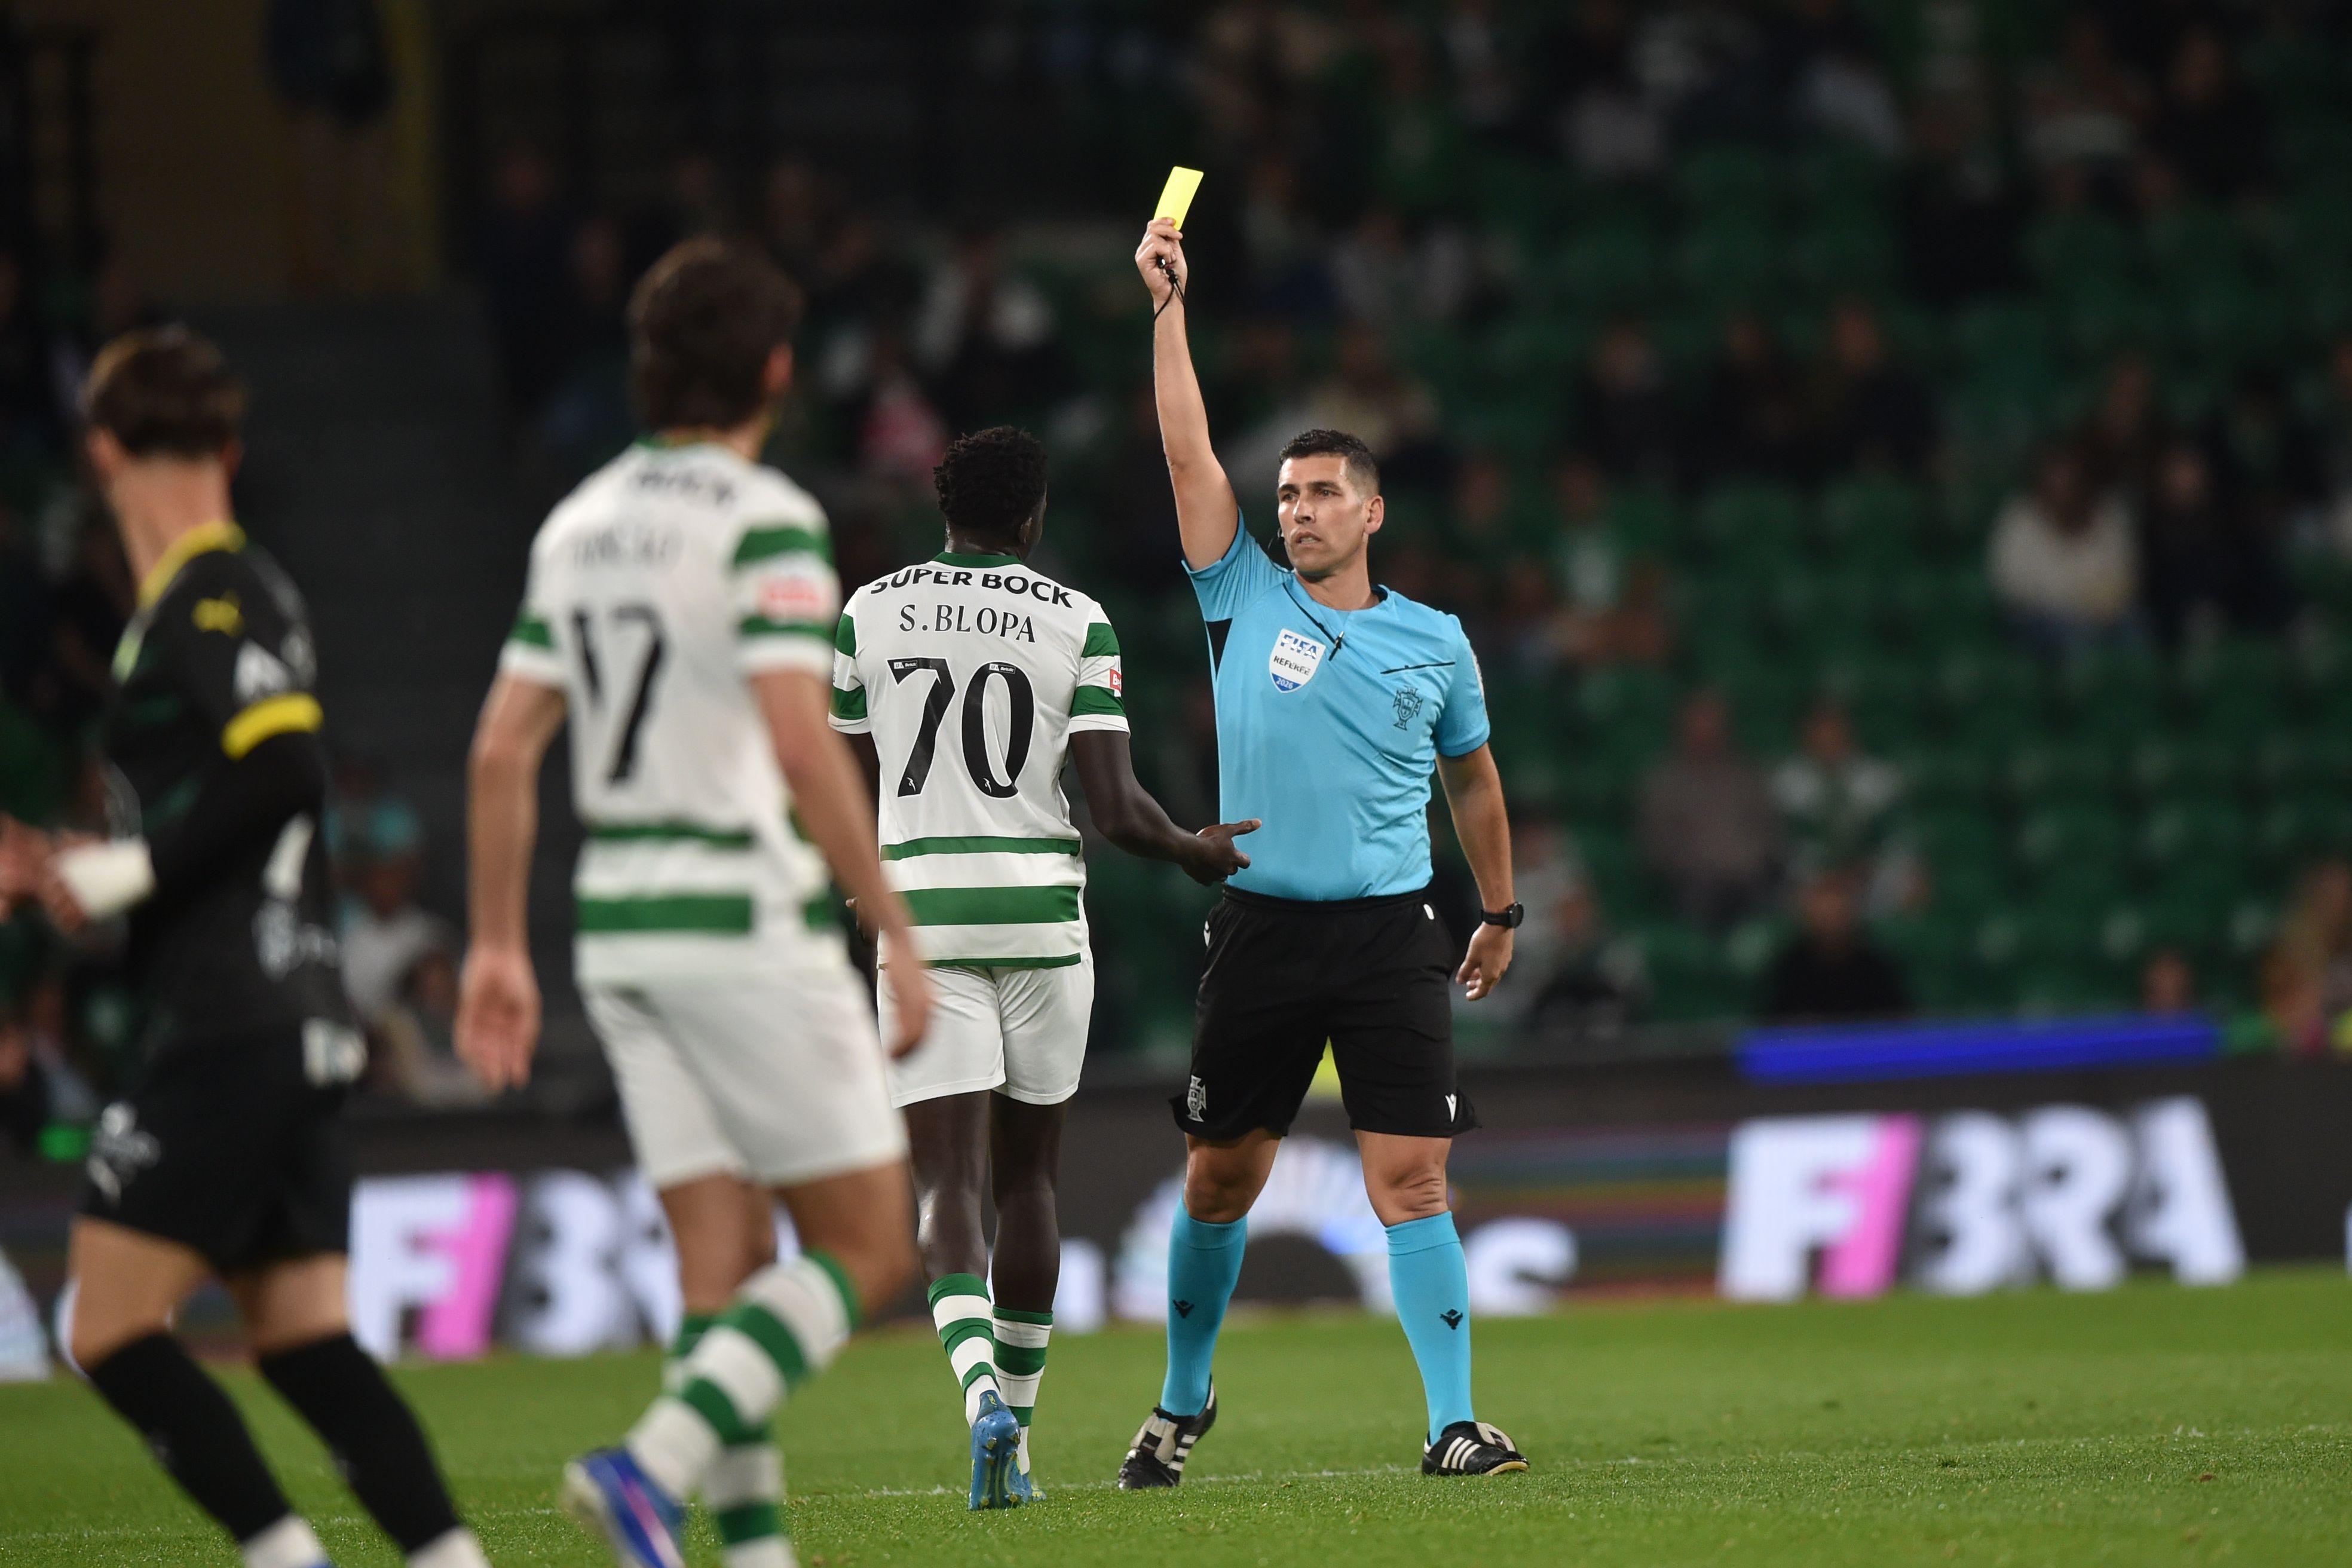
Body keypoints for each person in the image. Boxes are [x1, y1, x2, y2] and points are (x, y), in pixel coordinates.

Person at [455, 238, 931, 1568]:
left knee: (716, 1266)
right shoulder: (765, 516)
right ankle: (650, 1463)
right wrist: (888, 914)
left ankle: (752, 1552)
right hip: (736, 920)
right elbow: (797, 738)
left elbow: (503, 746)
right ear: (778, 371)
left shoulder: (580, 522)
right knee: (866, 1240)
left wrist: (498, 942)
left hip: (618, 932)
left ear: (644, 369)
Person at [0, 329, 490, 1568]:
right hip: (297, 1013)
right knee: (307, 1344)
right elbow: (224, 806)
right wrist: (85, 864)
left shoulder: (209, 594)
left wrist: (129, 868)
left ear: (101, 450)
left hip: (225, 1020)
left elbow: (286, 767)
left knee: (104, 1326)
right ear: (229, 447)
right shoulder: (230, 596)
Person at [1122, 215, 1529, 1484]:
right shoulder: (1237, 593)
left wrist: (1500, 911)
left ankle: (1452, 1422)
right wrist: (1167, 309)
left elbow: (1472, 773)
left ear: (1373, 510)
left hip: (1388, 930)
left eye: (1320, 494)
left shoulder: (1437, 639)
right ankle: (1184, 1401)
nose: (1295, 510)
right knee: (1220, 1183)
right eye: (1288, 493)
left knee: (1412, 1178)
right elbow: (1187, 447)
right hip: (1260, 930)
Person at [829, 425, 1255, 1509]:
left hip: (922, 918)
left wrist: (858, 873)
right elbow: (1115, 810)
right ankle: (1016, 1431)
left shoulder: (867, 611)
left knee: (950, 1184)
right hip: (1040, 921)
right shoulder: (1078, 619)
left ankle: (978, 1395)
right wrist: (1193, 848)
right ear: (1032, 518)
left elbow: (840, 771)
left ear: (944, 509)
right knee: (1028, 1178)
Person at [1638, 690, 1783, 930]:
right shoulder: (1665, 782)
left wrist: (1755, 862)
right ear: (1683, 727)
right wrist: (1698, 867)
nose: (1707, 730)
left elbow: (1770, 831)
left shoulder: (1747, 775)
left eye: (1713, 722)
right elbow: (1657, 846)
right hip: (1694, 885)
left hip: (1750, 881)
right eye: (1700, 722)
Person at [1760, 868, 1912, 1023]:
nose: (1832, 918)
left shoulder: (1874, 965)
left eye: (1839, 909)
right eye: (1825, 911)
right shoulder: (1790, 966)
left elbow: (1895, 1023)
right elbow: (1774, 1025)